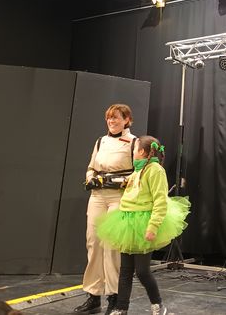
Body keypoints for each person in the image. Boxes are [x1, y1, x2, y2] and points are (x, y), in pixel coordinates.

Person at [96, 135, 190, 315]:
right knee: (125, 270)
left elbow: (160, 201)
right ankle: (121, 308)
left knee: (142, 271)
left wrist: (153, 226)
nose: (132, 151)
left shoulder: (155, 170)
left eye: (135, 148)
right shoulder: (138, 169)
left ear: (141, 151)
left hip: (143, 223)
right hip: (128, 222)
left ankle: (158, 304)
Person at [73, 104, 136, 315]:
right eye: (109, 118)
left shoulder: (133, 142)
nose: (111, 121)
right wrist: (91, 178)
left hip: (119, 197)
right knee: (93, 242)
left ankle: (114, 296)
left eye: (116, 118)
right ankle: (93, 296)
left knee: (112, 246)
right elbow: (91, 167)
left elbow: (139, 172)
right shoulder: (100, 141)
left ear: (126, 120)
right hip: (97, 196)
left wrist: (123, 181)